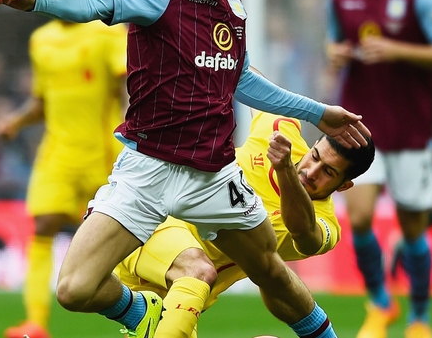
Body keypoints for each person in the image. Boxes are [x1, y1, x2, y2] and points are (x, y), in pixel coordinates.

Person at [0, 0, 370, 338]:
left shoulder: (234, 9)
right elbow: (96, 3)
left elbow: (243, 81)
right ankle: (141, 314)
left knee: (270, 267)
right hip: (147, 169)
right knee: (74, 290)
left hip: (213, 175)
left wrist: (318, 112)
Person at [112, 110, 375, 338]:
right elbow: (247, 77)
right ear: (313, 143)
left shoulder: (323, 223)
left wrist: (284, 171)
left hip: (180, 300)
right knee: (197, 270)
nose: (311, 171)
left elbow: (303, 234)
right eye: (315, 156)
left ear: (344, 186)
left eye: (328, 172)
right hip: (152, 230)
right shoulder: (281, 130)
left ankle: (141, 313)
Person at [325, 0, 432, 338]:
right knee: (360, 218)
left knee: (413, 227)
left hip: (410, 132)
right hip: (360, 130)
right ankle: (380, 304)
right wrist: (335, 56)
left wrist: (398, 50)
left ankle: (419, 318)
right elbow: (333, 53)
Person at [0, 0, 128, 338]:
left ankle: (142, 310)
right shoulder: (41, 40)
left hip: (103, 152)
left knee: (126, 235)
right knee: (42, 226)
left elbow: (125, 86)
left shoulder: (106, 32)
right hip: (58, 152)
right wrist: (14, 122)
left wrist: (135, 131)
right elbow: (42, 101)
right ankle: (36, 323)